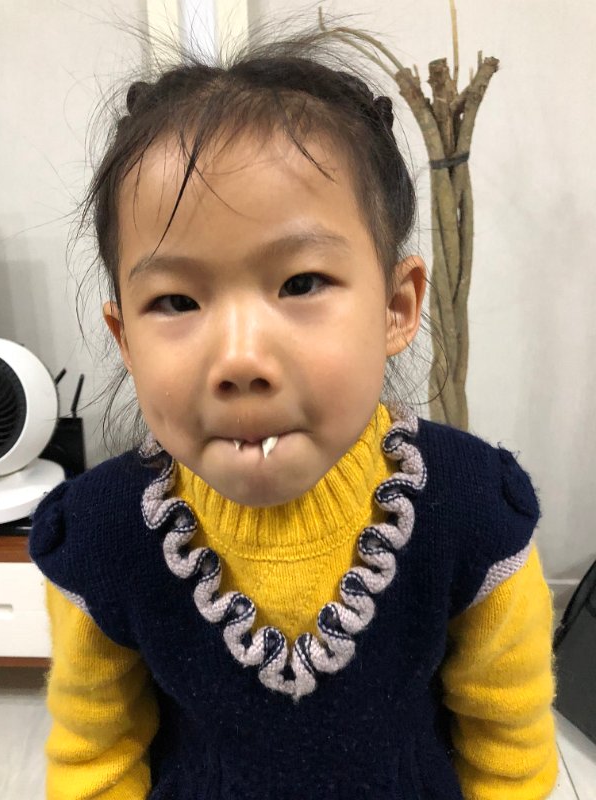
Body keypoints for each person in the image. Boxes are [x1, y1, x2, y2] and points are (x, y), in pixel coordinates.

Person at [29, 26, 558, 800]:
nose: (240, 359)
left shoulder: (470, 512)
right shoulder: (104, 537)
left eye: (301, 284)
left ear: (397, 306)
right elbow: (93, 757)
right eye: (176, 301)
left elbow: (508, 741)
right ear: (126, 340)